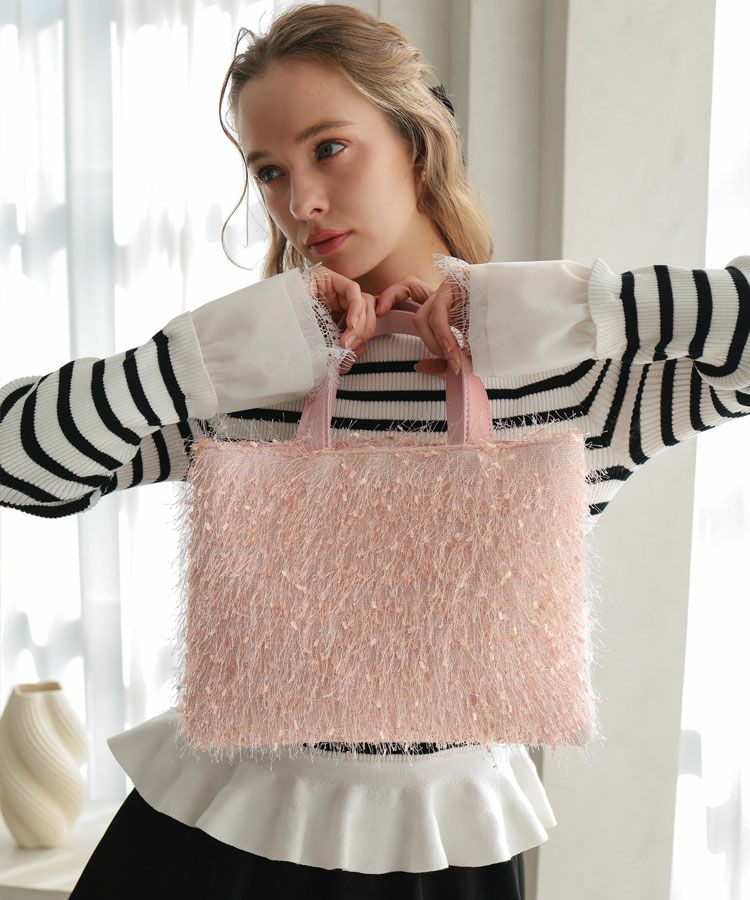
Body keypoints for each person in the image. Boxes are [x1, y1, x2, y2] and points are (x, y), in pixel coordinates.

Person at [1, 3, 748, 897]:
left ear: (417, 142)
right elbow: (18, 466)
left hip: (444, 847)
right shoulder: (251, 369)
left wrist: (570, 307)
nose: (300, 202)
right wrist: (198, 357)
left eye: (329, 148)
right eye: (269, 171)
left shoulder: (572, 378)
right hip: (216, 838)